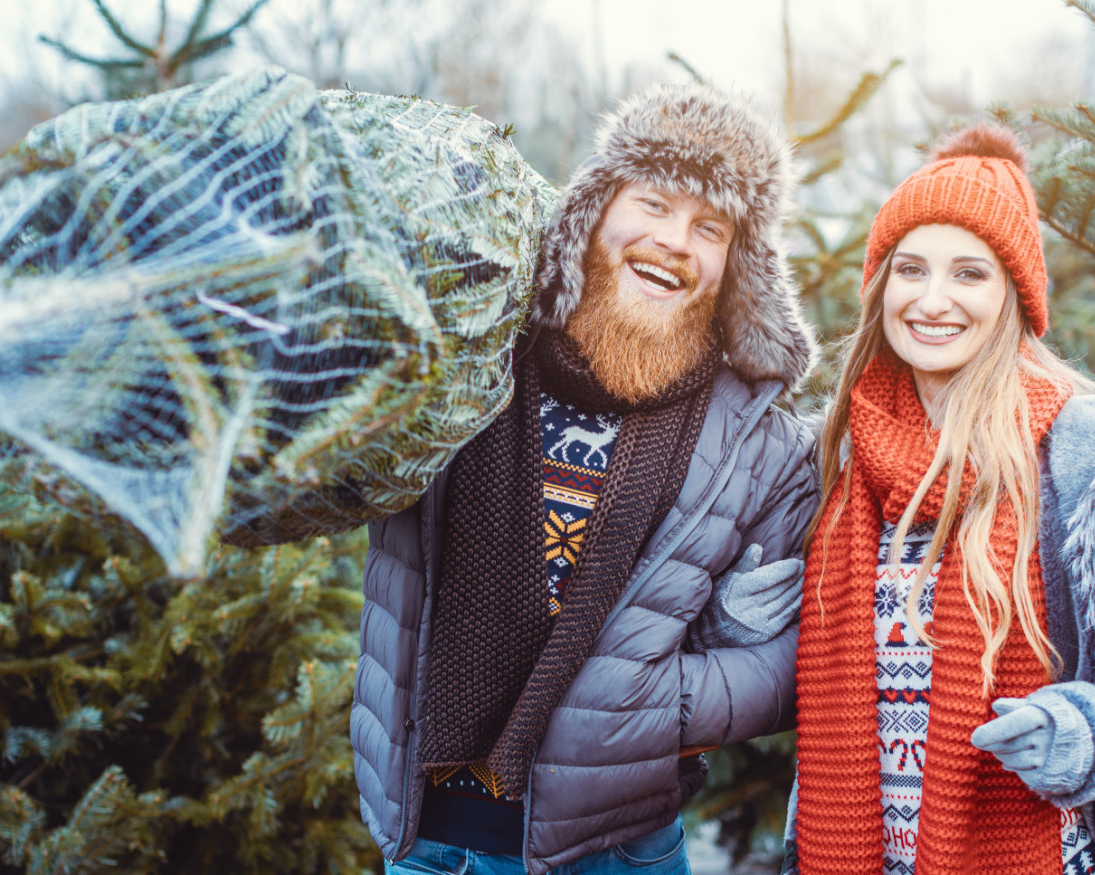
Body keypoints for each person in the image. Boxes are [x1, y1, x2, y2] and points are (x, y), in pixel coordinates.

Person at [351, 82, 821, 874]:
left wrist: (654, 702)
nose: (676, 239)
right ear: (595, 210)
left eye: (710, 227)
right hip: (430, 839)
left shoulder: (757, 442)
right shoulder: (470, 358)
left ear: (736, 264)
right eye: (654, 204)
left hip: (622, 850)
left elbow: (781, 655)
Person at [784, 122, 1095, 875]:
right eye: (910, 269)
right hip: (857, 849)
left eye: (969, 273)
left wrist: (1090, 729)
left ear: (1014, 294)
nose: (931, 300)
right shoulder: (835, 455)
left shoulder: (1089, 452)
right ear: (880, 283)